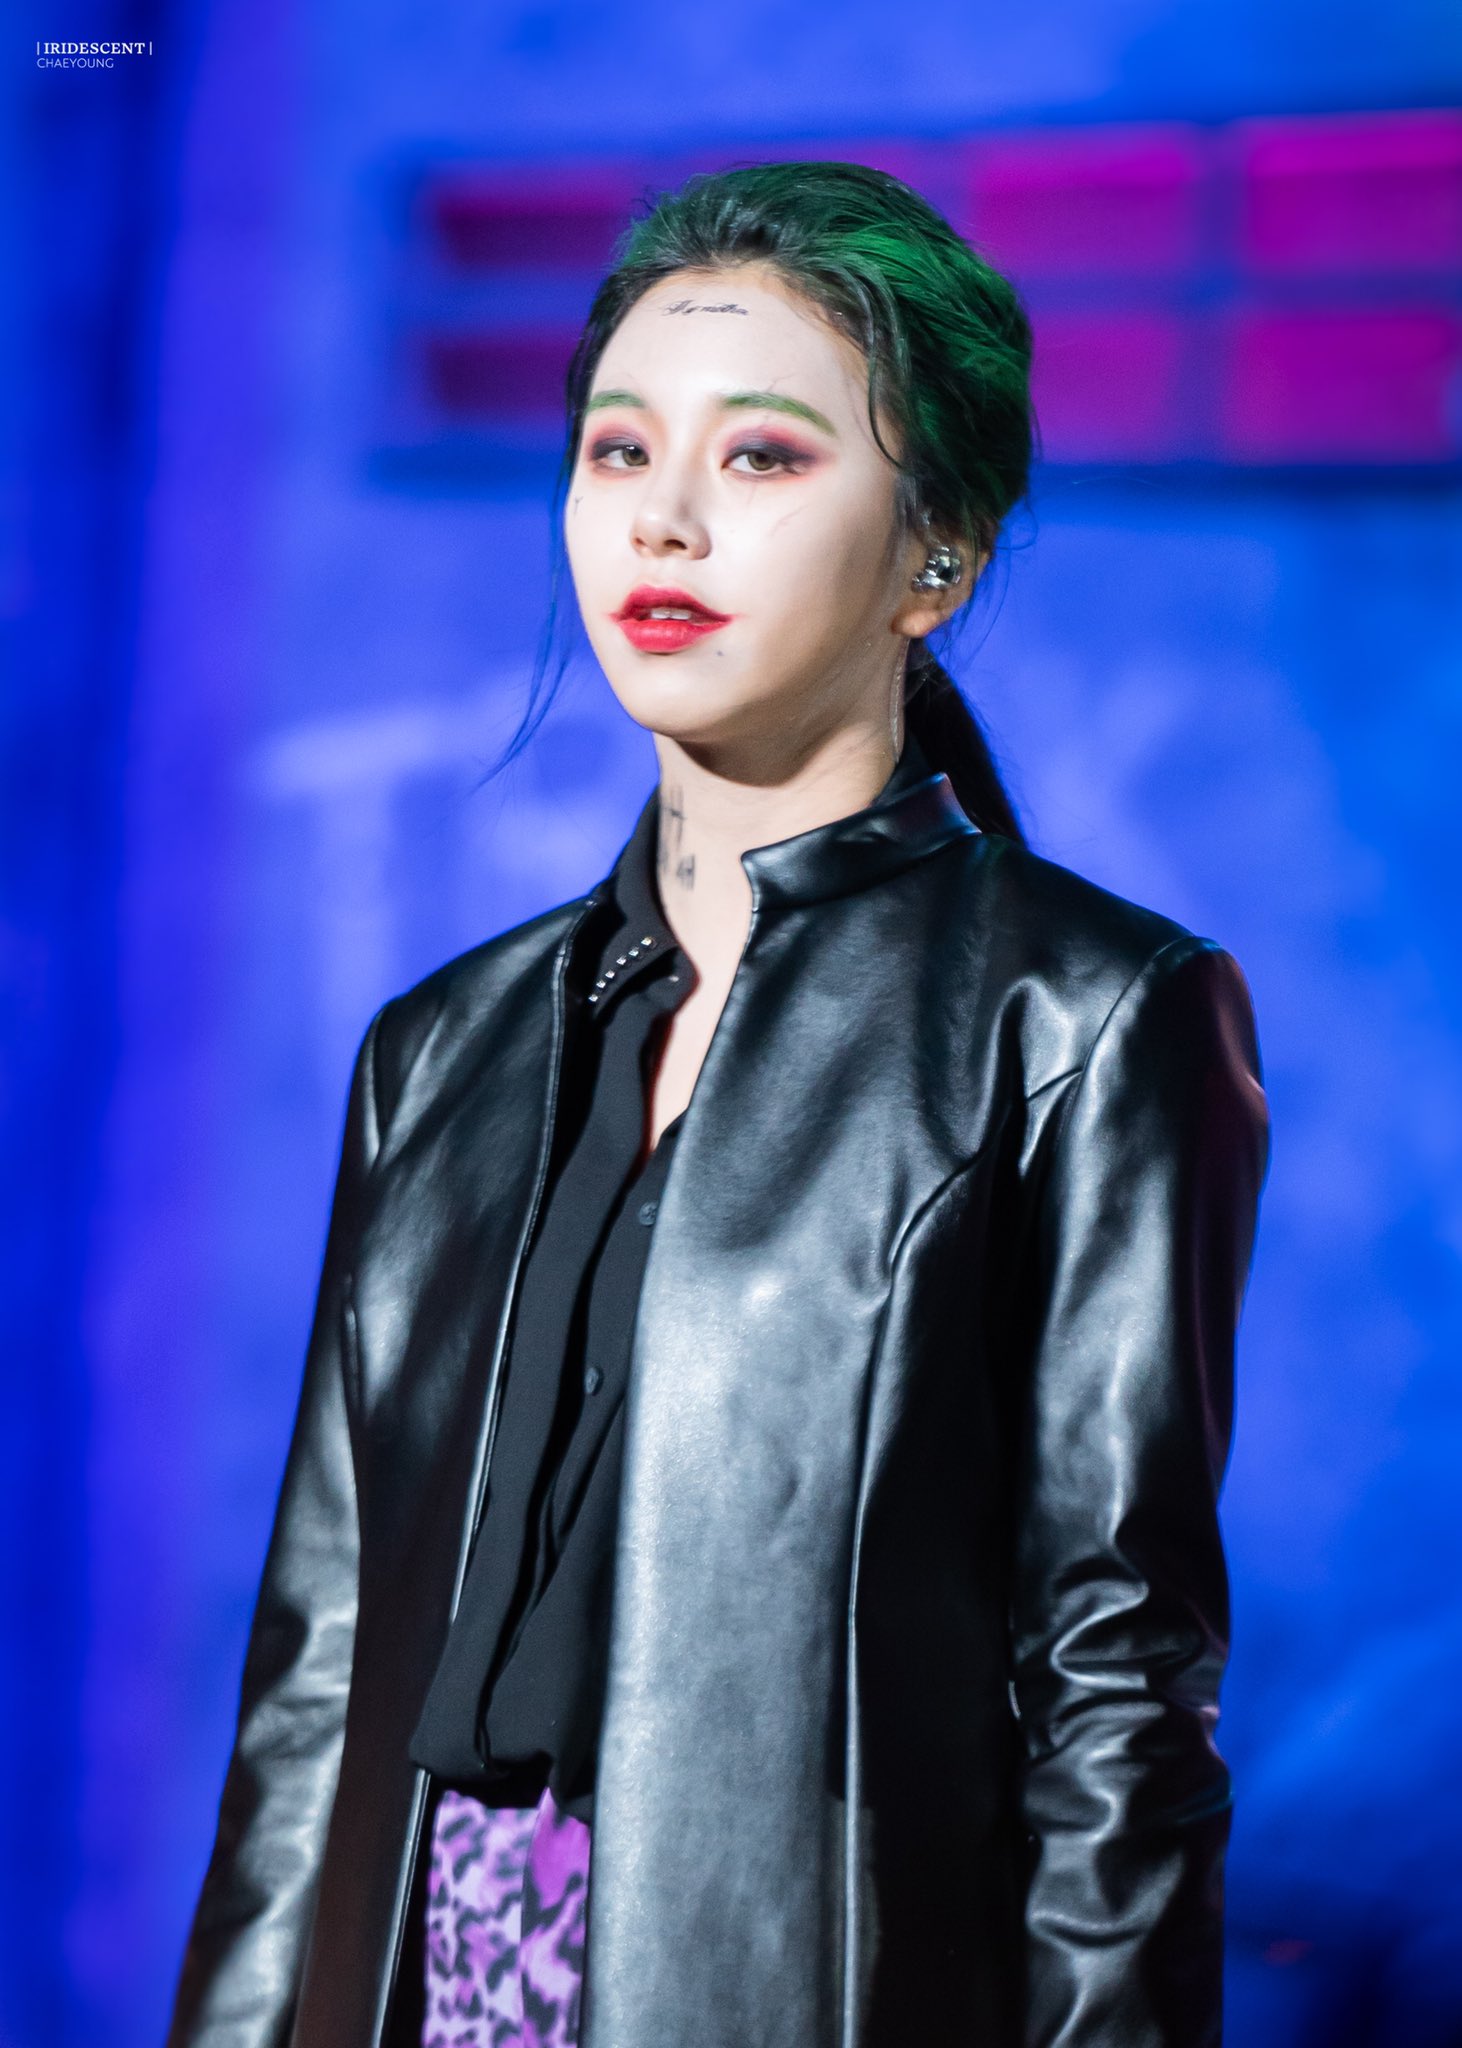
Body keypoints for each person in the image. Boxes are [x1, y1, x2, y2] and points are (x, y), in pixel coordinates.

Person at [165, 161, 1269, 2048]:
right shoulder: (440, 1049)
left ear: (935, 552)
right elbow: (316, 1677)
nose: (661, 517)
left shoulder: (1084, 1018)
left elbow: (1115, 1688)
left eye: (760, 456)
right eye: (617, 450)